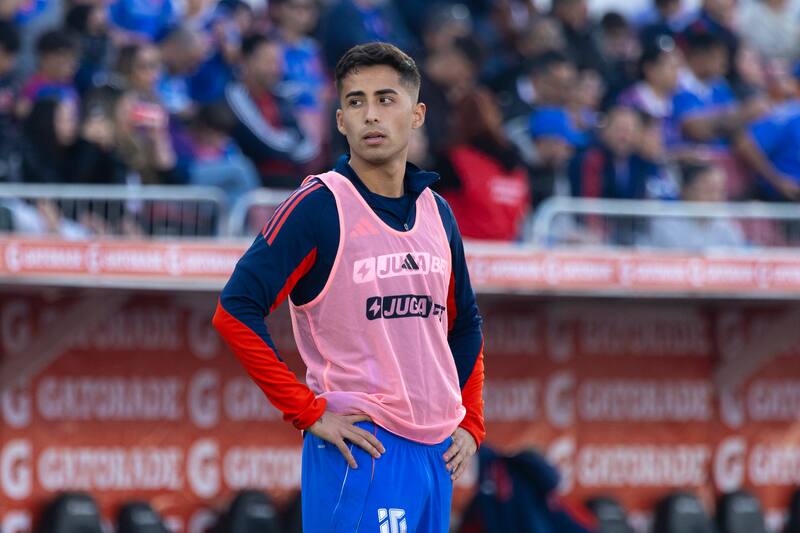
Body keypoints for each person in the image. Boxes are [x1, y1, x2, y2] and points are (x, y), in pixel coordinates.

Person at [213, 42, 485, 532]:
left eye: (386, 99)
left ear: (417, 114)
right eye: (355, 102)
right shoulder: (318, 205)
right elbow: (234, 310)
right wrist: (306, 411)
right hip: (363, 447)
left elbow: (465, 326)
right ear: (340, 121)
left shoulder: (437, 212)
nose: (370, 115)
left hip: (435, 456)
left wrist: (472, 421)